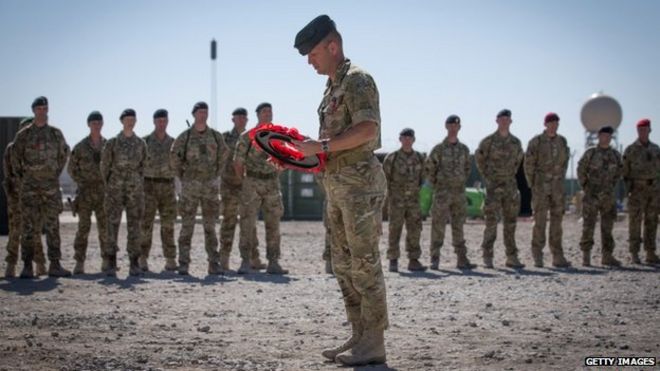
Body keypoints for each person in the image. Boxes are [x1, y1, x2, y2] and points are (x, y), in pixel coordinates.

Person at [293, 14, 388, 366]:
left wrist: (319, 147)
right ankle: (359, 333)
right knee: (342, 264)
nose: (309, 60)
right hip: (337, 186)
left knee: (363, 263)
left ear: (332, 46)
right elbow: (328, 148)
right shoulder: (332, 86)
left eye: (313, 52)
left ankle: (374, 341)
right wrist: (295, 157)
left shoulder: (357, 81)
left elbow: (367, 131)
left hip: (360, 186)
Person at [11, 96, 71, 278]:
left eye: (45, 108)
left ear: (48, 110)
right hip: (30, 187)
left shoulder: (55, 134)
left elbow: (63, 155)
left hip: (50, 186)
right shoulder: (24, 135)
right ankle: (28, 266)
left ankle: (54, 264)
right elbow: (15, 159)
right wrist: (26, 177)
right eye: (39, 109)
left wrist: (52, 174)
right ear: (33, 111)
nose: (42, 111)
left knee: (53, 225)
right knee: (29, 227)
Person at [171, 102, 228, 275]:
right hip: (190, 187)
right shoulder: (185, 137)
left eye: (205, 112)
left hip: (210, 188)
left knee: (210, 227)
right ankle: (183, 264)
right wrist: (182, 176)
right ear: (194, 114)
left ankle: (213, 263)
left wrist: (216, 174)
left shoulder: (216, 137)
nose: (203, 115)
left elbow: (224, 155)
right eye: (200, 112)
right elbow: (174, 156)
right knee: (187, 226)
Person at [233, 102, 288, 275]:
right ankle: (245, 261)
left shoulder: (278, 135)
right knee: (247, 223)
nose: (268, 114)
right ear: (257, 115)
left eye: (270, 112)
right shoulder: (248, 136)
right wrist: (245, 180)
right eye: (264, 112)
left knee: (274, 224)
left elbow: (286, 159)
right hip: (252, 183)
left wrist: (275, 172)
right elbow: (238, 162)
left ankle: (273, 262)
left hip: (272, 184)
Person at [424, 114, 476, 270]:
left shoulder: (464, 149)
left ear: (459, 128)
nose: (453, 128)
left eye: (456, 126)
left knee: (458, 225)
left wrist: (458, 182)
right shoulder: (439, 149)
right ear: (446, 127)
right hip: (442, 192)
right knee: (438, 225)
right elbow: (429, 169)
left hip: (459, 193)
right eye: (451, 125)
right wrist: (439, 184)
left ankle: (461, 258)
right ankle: (435, 258)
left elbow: (467, 169)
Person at [475, 109, 525, 269]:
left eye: (507, 119)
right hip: (493, 187)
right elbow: (480, 159)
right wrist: (489, 177)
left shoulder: (516, 143)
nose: (504, 121)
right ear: (496, 121)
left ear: (511, 121)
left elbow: (518, 162)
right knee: (491, 223)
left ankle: (511, 257)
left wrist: (509, 176)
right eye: (501, 119)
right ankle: (487, 256)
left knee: (510, 223)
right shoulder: (488, 142)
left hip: (510, 187)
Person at [100, 109, 147, 276]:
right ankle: (110, 261)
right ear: (122, 121)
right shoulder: (112, 143)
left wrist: (135, 182)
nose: (131, 122)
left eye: (133, 119)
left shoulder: (141, 143)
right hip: (115, 189)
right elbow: (104, 166)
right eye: (128, 119)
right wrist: (111, 183)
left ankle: (134, 262)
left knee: (135, 226)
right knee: (112, 225)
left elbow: (143, 166)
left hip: (134, 191)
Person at [523, 113, 572, 268]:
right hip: (541, 187)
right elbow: (528, 164)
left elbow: (565, 163)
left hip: (557, 188)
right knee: (540, 221)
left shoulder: (562, 141)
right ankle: (538, 255)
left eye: (556, 123)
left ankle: (557, 256)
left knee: (557, 222)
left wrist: (560, 180)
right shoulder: (536, 142)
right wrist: (533, 184)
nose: (554, 125)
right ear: (545, 124)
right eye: (551, 122)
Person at [219, 108, 265, 271]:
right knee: (228, 221)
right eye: (238, 117)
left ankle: (254, 258)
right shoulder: (224, 138)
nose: (241, 120)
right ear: (233, 119)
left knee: (250, 223)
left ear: (247, 120)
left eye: (243, 118)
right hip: (229, 186)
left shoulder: (252, 137)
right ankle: (224, 259)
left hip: (248, 186)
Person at [67, 111, 109, 274]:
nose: (96, 125)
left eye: (99, 122)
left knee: (104, 228)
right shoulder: (80, 147)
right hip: (85, 192)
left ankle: (106, 261)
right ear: (88, 125)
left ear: (102, 124)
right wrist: (82, 180)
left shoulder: (108, 145)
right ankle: (79, 262)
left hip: (103, 192)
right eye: (93, 123)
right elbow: (71, 168)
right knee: (83, 228)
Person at [577, 126, 623, 267]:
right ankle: (586, 257)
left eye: (609, 136)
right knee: (588, 226)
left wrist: (610, 187)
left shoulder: (615, 155)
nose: (606, 138)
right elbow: (581, 169)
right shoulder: (591, 153)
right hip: (592, 195)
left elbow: (618, 173)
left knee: (607, 227)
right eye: (604, 135)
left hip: (608, 196)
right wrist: (586, 186)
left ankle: (607, 256)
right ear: (599, 136)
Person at [382, 128, 427, 272]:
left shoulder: (420, 158)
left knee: (415, 230)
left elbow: (423, 178)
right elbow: (385, 179)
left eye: (410, 137)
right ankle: (393, 260)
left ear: (413, 140)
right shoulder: (392, 158)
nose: (407, 140)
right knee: (395, 229)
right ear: (400, 139)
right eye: (404, 137)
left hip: (413, 201)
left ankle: (414, 260)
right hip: (396, 201)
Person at [139, 109, 177, 272]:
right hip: (149, 187)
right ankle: (142, 258)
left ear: (167, 122)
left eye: (164, 121)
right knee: (146, 224)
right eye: (159, 121)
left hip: (168, 187)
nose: (162, 124)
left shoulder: (174, 143)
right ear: (154, 122)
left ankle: (170, 259)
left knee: (168, 225)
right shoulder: (144, 142)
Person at [622, 119, 660, 265]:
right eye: (640, 129)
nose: (642, 132)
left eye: (645, 129)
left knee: (652, 221)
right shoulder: (630, 150)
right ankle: (634, 253)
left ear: (650, 130)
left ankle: (650, 252)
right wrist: (628, 191)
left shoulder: (656, 149)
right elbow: (624, 172)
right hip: (637, 191)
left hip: (654, 191)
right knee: (635, 222)